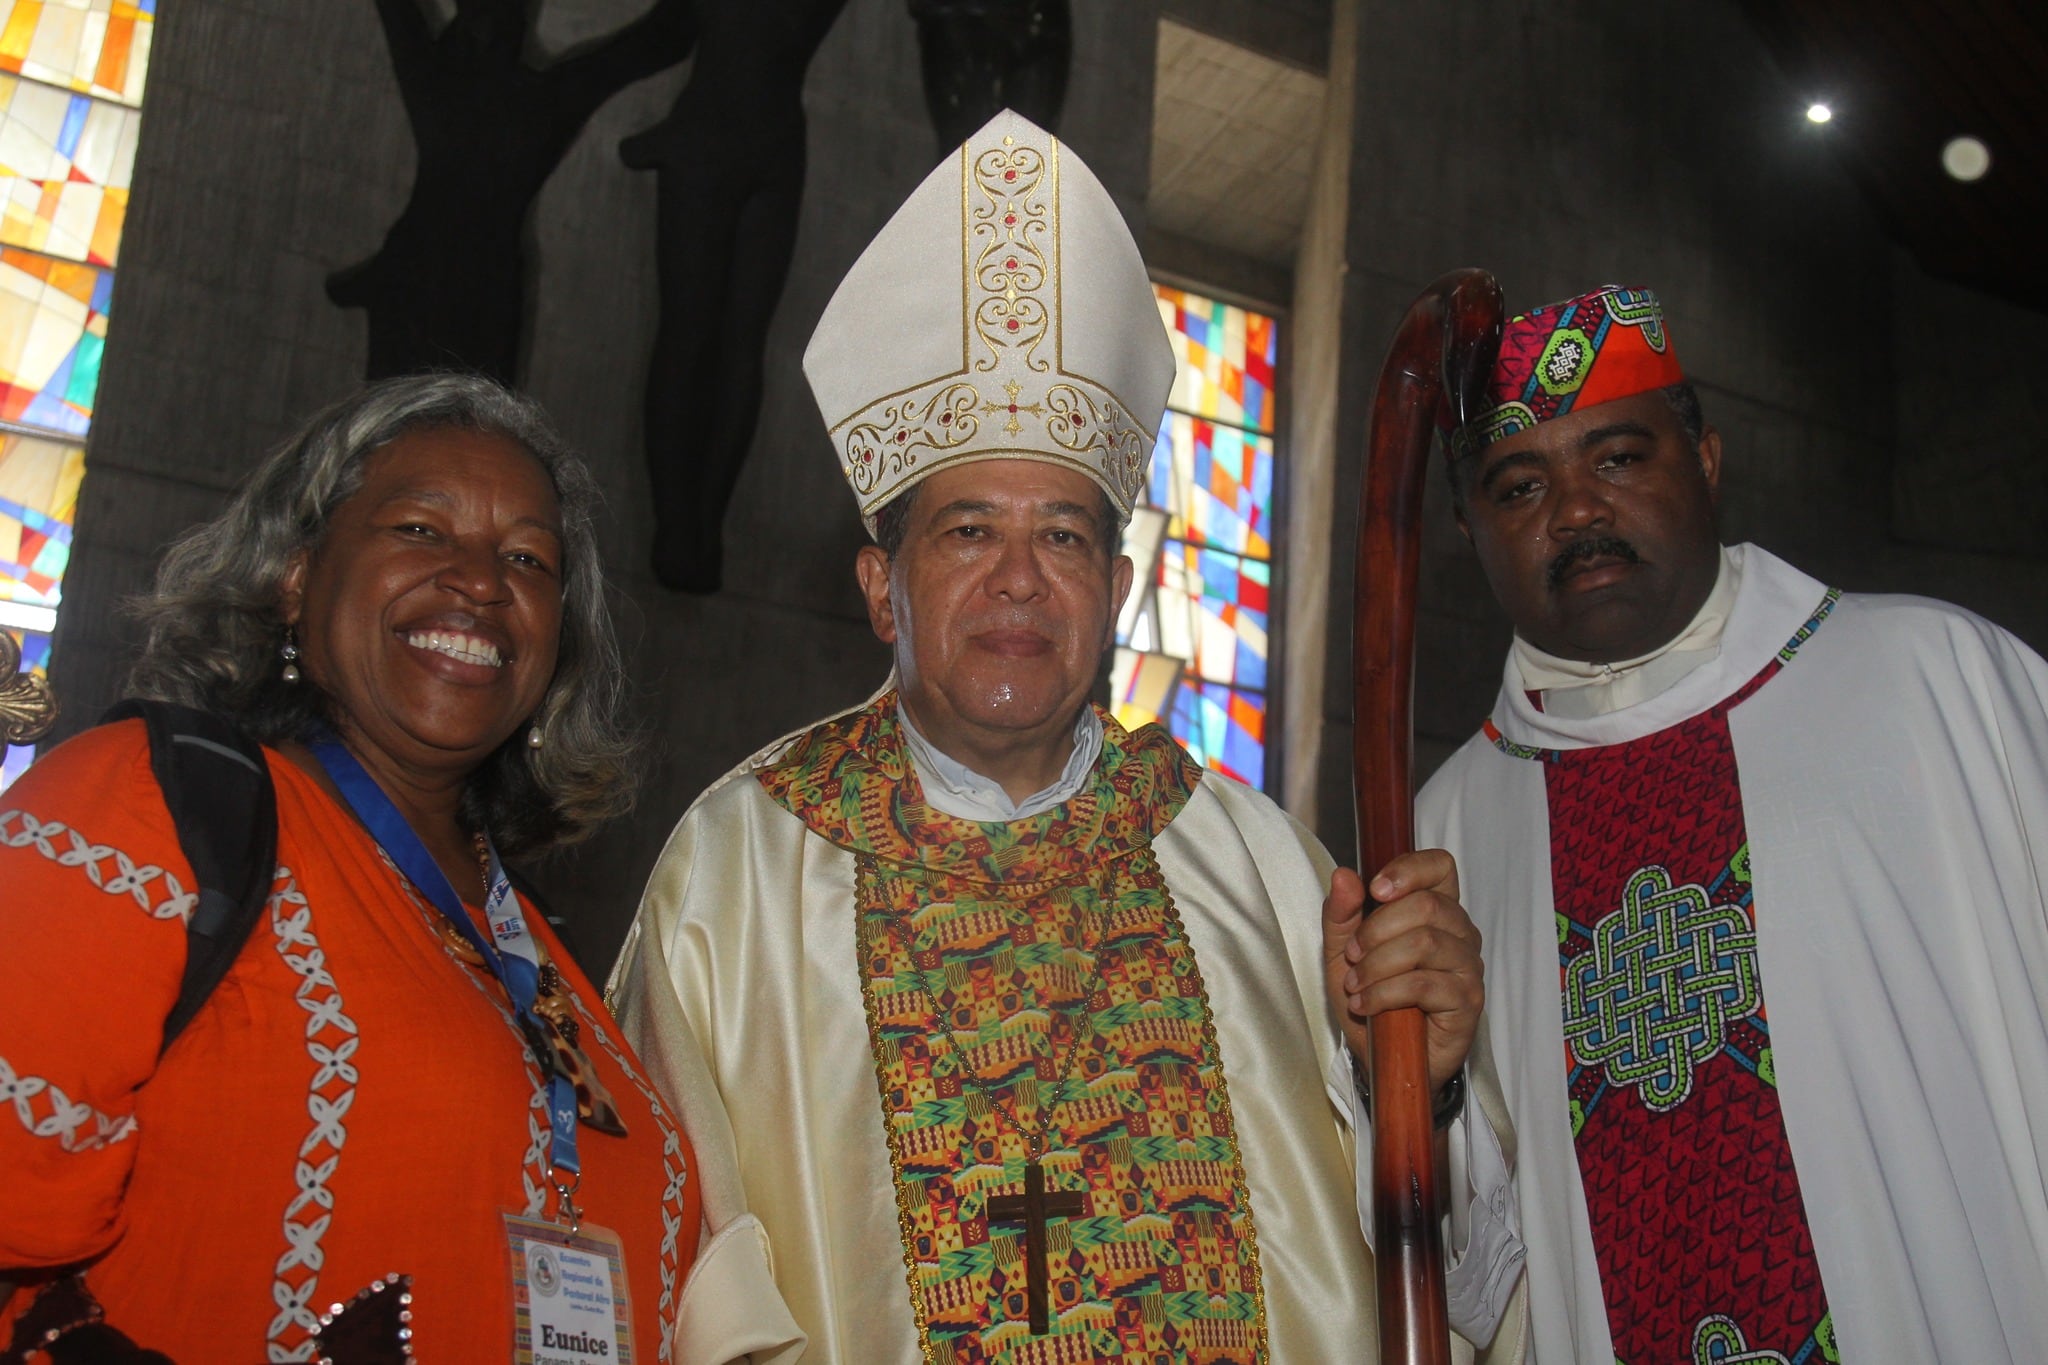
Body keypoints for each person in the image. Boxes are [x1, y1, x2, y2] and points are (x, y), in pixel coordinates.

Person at [608, 111, 1525, 1361]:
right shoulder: (737, 877)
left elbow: (1455, 1284)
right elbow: (657, 1259)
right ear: (881, 589)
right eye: (968, 531)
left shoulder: (1251, 868)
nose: (1020, 582)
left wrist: (1417, 1077)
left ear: (1121, 590)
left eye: (1062, 537)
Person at [0, 376, 798, 1362]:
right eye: (421, 530)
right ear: (293, 575)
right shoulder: (140, 812)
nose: (480, 580)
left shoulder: (539, 949)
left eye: (527, 558)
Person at [1418, 284, 2048, 1363]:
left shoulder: (1935, 678)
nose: (1574, 511)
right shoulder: (1450, 825)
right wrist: (1421, 1091)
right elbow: (1471, 1259)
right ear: (1471, 531)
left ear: (1702, 462)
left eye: (1617, 459)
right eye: (1520, 486)